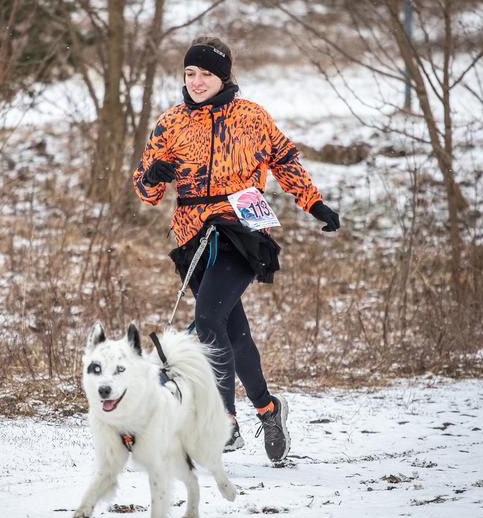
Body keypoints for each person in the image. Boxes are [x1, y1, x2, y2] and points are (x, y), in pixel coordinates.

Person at [132, 36, 340, 463]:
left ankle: (225, 421)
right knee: (231, 333)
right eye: (190, 73)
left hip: (242, 229)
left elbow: (285, 159)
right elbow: (145, 192)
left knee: (208, 320)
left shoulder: (249, 117)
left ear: (223, 76)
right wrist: (153, 173)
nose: (196, 81)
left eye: (205, 73)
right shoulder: (171, 123)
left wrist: (314, 203)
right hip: (193, 237)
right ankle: (268, 408)